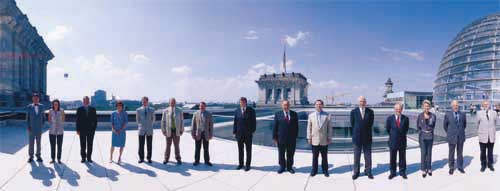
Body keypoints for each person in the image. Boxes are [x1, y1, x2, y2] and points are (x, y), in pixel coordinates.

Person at [350, 96, 374, 180]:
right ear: (358, 102)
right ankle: (356, 172)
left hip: (367, 138)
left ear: (366, 102)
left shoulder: (370, 112)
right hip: (357, 138)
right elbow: (352, 124)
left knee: (368, 156)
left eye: (363, 101)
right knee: (356, 156)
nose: (362, 103)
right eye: (360, 101)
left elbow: (370, 124)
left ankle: (368, 171)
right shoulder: (353, 112)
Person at [307, 99, 332, 177]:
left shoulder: (327, 115)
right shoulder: (311, 115)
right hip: (314, 140)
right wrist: (309, 138)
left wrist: (329, 138)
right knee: (315, 157)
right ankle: (314, 170)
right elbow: (309, 128)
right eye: (317, 104)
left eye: (320, 104)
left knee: (324, 157)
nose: (318, 106)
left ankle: (325, 170)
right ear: (315, 105)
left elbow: (329, 128)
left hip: (324, 140)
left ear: (322, 105)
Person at [273, 100, 299, 174]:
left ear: (289, 105)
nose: (286, 106)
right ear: (282, 106)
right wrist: (274, 137)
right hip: (281, 138)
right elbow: (275, 127)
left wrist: (295, 137)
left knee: (290, 154)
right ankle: (282, 167)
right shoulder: (278, 114)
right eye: (284, 105)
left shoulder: (294, 114)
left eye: (287, 105)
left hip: (291, 139)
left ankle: (289, 167)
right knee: (281, 153)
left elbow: (296, 127)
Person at [385, 103, 409, 179]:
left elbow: (406, 129)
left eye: (399, 109)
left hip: (402, 141)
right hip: (393, 141)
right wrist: (393, 135)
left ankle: (402, 172)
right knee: (392, 158)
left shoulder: (406, 118)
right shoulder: (390, 118)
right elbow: (388, 129)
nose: (398, 110)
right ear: (394, 110)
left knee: (402, 158)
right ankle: (393, 172)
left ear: (402, 109)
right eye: (396, 109)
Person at [443, 100, 467, 175]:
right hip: (451, 136)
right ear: (451, 106)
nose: (455, 106)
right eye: (454, 105)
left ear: (458, 106)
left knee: (460, 152)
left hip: (460, 136)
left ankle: (460, 167)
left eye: (456, 105)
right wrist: (450, 132)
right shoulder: (447, 114)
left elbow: (464, 125)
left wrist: (459, 131)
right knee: (451, 153)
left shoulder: (463, 114)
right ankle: (451, 167)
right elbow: (445, 126)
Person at [233, 97, 256, 171]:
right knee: (240, 150)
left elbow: (254, 123)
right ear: (240, 103)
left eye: (243, 102)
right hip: (239, 134)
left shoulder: (251, 111)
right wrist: (234, 132)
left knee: (248, 150)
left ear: (246, 102)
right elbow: (235, 123)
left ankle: (248, 165)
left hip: (248, 135)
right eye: (241, 102)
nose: (242, 103)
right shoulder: (237, 111)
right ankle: (240, 164)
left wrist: (251, 131)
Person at [161, 98, 184, 165]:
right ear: (169, 103)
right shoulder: (166, 110)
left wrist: (181, 130)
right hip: (168, 131)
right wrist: (163, 130)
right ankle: (166, 159)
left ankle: (178, 159)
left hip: (176, 131)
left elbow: (182, 121)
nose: (172, 103)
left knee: (176, 146)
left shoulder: (179, 110)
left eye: (174, 102)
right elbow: (163, 121)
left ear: (175, 103)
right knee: (168, 146)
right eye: (171, 102)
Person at [417, 100, 436, 178]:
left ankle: (429, 168)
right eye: (425, 106)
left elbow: (433, 125)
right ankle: (423, 169)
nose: (426, 108)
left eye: (428, 106)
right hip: (422, 137)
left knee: (429, 153)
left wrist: (429, 131)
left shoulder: (433, 116)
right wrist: (421, 133)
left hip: (430, 136)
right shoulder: (420, 116)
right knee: (423, 153)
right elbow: (418, 126)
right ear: (423, 107)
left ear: (430, 107)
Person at [191, 102, 214, 166]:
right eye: (201, 106)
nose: (202, 107)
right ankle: (196, 161)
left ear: (205, 106)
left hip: (206, 133)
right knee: (197, 148)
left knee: (206, 148)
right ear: (199, 107)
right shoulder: (195, 114)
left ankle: (207, 161)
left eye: (203, 106)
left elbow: (211, 125)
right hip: (198, 133)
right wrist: (192, 134)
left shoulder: (209, 114)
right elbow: (193, 124)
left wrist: (211, 134)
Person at [76, 96, 98, 163]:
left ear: (89, 101)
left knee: (90, 144)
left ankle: (89, 158)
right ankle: (83, 158)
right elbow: (77, 120)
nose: (86, 101)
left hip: (91, 130)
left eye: (87, 100)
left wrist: (94, 129)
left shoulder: (93, 109)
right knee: (82, 144)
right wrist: (77, 130)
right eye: (85, 100)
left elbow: (95, 120)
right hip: (82, 130)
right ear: (83, 101)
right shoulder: (79, 109)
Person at [476, 100, 496, 172]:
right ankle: (483, 165)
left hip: (491, 137)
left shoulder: (494, 113)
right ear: (482, 105)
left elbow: (495, 123)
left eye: (487, 104)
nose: (486, 105)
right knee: (483, 152)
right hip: (482, 136)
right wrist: (480, 132)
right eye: (484, 104)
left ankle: (490, 164)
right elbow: (477, 124)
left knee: (490, 152)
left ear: (489, 105)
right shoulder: (479, 113)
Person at [26, 93, 46, 163]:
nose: (35, 99)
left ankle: (38, 156)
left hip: (39, 128)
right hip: (31, 128)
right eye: (34, 98)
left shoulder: (42, 106)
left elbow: (44, 117)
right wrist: (28, 127)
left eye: (37, 98)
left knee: (38, 143)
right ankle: (31, 156)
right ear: (32, 99)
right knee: (31, 143)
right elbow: (27, 118)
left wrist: (41, 125)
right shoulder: (29, 107)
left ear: (38, 99)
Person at [136, 96, 155, 164]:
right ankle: (141, 158)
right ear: (142, 102)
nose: (144, 102)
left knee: (149, 145)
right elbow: (137, 120)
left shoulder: (152, 110)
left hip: (149, 129)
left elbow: (153, 119)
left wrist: (149, 125)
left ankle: (149, 158)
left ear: (147, 102)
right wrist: (141, 126)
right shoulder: (138, 110)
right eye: (143, 101)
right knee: (141, 145)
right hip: (141, 130)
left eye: (145, 101)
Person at [48, 99, 65, 164]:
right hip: (52, 131)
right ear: (53, 104)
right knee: (52, 145)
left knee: (59, 145)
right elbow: (49, 120)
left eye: (57, 104)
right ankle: (53, 159)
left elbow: (63, 120)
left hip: (60, 131)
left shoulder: (62, 110)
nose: (55, 105)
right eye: (54, 104)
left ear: (58, 104)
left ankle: (59, 158)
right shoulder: (50, 111)